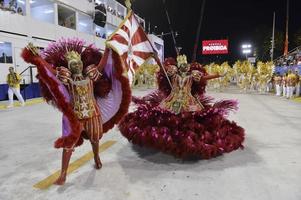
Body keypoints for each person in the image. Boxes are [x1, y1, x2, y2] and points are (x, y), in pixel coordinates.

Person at [22, 38, 131, 185]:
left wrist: (107, 49)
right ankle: (63, 174)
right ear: (69, 66)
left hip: (93, 114)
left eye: (78, 62)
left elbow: (101, 66)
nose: (77, 65)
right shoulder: (66, 78)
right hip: (75, 118)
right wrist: (38, 58)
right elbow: (51, 72)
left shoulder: (90, 74)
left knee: (95, 139)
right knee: (68, 144)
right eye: (73, 63)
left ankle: (97, 157)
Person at [119, 55, 245, 159]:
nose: (184, 66)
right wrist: (157, 59)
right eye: (182, 64)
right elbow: (163, 69)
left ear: (188, 67)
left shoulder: (193, 76)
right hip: (172, 99)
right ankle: (170, 139)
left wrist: (218, 75)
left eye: (186, 64)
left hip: (188, 100)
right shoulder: (173, 73)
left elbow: (204, 78)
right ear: (179, 67)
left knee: (189, 119)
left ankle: (186, 141)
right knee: (167, 117)